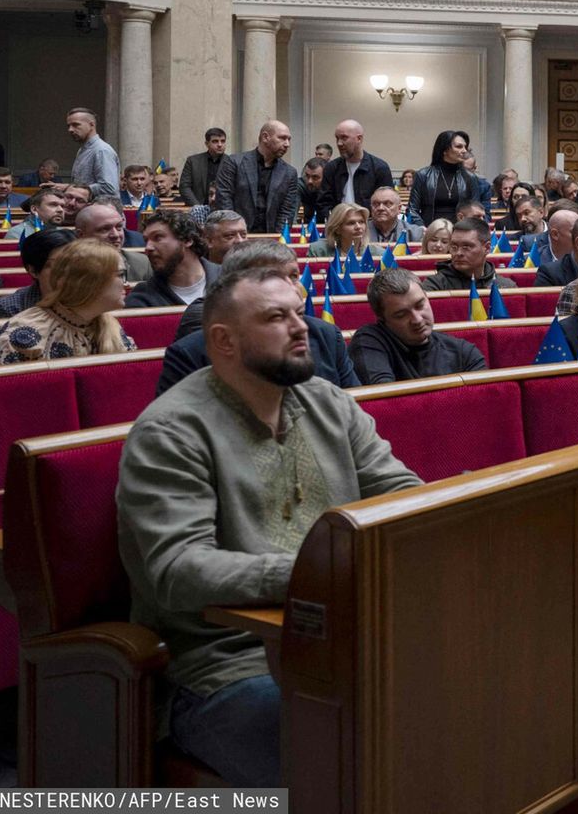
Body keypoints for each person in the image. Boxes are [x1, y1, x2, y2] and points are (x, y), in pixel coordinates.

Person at [118, 270, 420, 785]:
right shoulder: (171, 431)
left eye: (298, 313)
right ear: (224, 340)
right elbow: (177, 568)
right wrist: (314, 575)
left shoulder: (328, 401)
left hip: (347, 632)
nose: (301, 328)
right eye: (276, 318)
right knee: (349, 754)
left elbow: (400, 492)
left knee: (465, 700)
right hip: (229, 665)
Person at [155, 242, 359, 393]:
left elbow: (355, 406)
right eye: (274, 278)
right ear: (234, 286)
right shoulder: (189, 354)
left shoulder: (326, 334)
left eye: (294, 276)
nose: (292, 287)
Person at [0, 238, 137, 365]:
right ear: (90, 282)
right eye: (121, 275)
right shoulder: (23, 333)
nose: (127, 284)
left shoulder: (108, 325)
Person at [350, 267, 488, 384]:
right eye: (401, 315)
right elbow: (387, 400)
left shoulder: (464, 352)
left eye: (420, 305)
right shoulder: (368, 341)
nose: (417, 319)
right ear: (382, 319)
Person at [215, 121, 297, 237]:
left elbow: (287, 211)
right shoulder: (234, 162)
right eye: (282, 138)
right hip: (237, 236)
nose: (287, 144)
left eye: (289, 139)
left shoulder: (290, 172)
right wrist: (235, 234)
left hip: (271, 236)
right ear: (265, 137)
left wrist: (278, 239)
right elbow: (224, 200)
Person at [127, 211, 218, 309]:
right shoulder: (142, 298)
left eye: (158, 237)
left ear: (187, 240)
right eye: (146, 241)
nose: (148, 247)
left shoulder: (230, 279)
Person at [0, 228, 77, 320]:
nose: (69, 270)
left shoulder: (91, 300)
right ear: (33, 271)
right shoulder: (10, 307)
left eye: (76, 263)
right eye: (59, 265)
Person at [315, 119, 394, 218]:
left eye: (344, 138)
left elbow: (387, 204)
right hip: (338, 227)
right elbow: (323, 203)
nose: (339, 143)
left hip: (370, 227)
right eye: (337, 138)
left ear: (359, 139)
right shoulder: (331, 168)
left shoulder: (380, 168)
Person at [421, 219, 519, 294]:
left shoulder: (505, 286)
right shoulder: (434, 285)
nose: (458, 253)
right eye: (454, 246)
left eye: (466, 247)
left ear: (487, 248)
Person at [407, 130, 482, 227]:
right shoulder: (423, 175)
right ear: (445, 150)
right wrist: (422, 228)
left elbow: (475, 210)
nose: (464, 151)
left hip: (460, 232)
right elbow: (412, 209)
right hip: (429, 230)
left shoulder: (470, 177)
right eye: (459, 146)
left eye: (465, 147)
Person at [73, 202, 155, 285]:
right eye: (105, 229)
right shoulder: (68, 267)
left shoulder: (142, 263)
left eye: (119, 227)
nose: (116, 235)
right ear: (81, 235)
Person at [66, 108, 120, 198]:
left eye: (75, 125)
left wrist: (73, 189)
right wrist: (68, 187)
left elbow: (109, 188)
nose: (70, 130)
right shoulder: (82, 150)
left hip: (101, 210)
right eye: (68, 126)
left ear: (92, 125)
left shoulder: (102, 150)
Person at [180, 129, 227, 207]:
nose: (220, 144)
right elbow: (184, 187)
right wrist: (197, 206)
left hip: (223, 209)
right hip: (197, 207)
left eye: (223, 141)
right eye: (215, 141)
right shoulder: (193, 161)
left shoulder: (231, 162)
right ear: (207, 144)